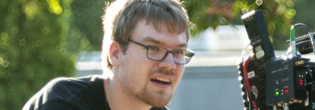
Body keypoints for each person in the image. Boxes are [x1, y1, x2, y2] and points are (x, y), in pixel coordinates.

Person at [23, 0, 194, 109]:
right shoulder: (63, 103)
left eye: (178, 52)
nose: (170, 64)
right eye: (154, 48)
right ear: (116, 53)